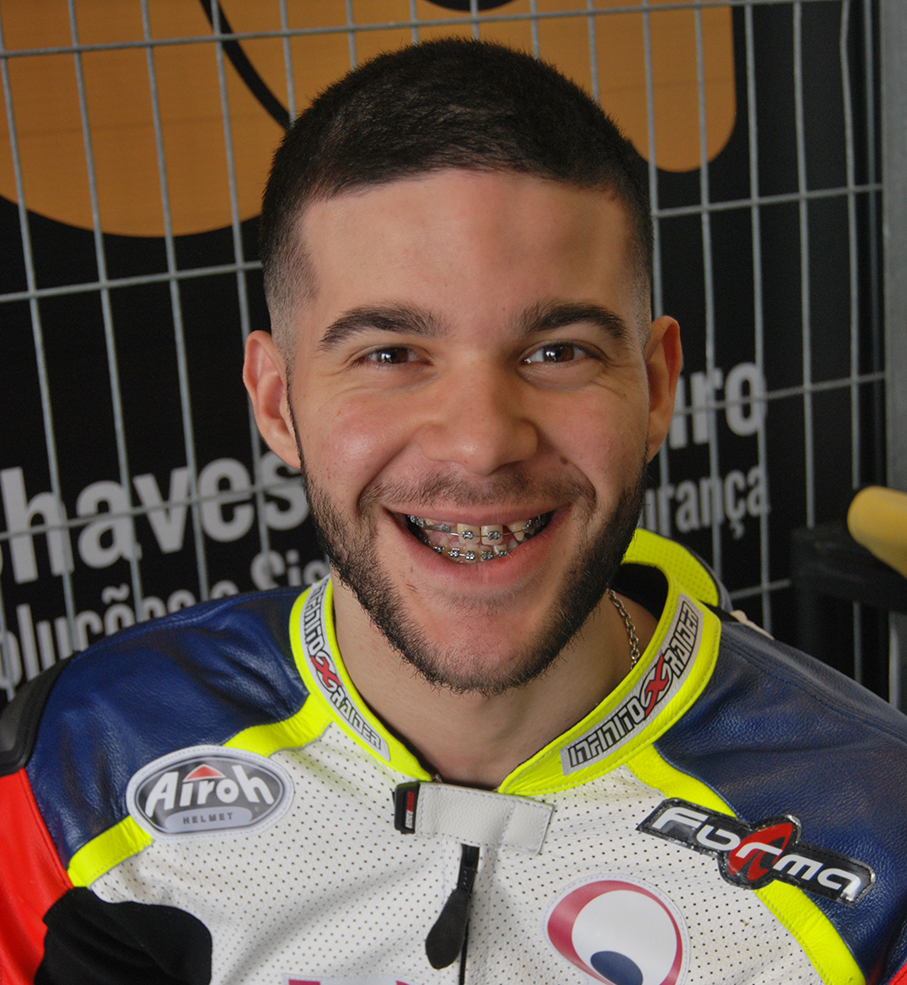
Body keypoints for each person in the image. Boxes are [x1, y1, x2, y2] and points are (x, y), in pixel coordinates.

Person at [1, 38, 906, 985]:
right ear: (276, 403)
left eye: (557, 351)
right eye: (390, 354)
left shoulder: (877, 840)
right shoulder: (79, 769)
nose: (479, 444)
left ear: (654, 386)